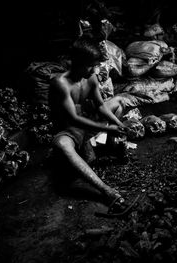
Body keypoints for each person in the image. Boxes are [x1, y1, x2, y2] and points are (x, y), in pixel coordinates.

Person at [49, 36, 127, 204]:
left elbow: (100, 106)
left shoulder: (91, 78)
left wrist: (119, 125)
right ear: (77, 62)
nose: (94, 70)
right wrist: (107, 128)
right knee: (62, 145)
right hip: (68, 132)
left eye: (96, 65)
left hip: (87, 127)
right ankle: (107, 191)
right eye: (90, 65)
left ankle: (110, 145)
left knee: (119, 102)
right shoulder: (60, 83)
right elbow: (73, 119)